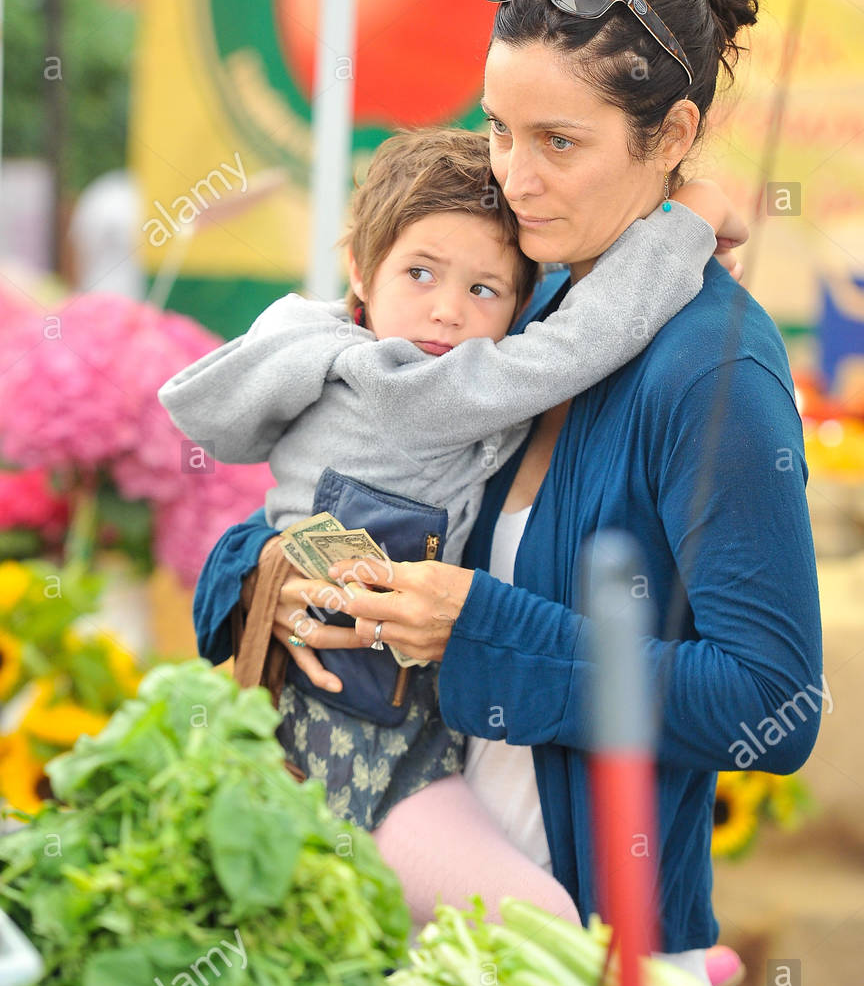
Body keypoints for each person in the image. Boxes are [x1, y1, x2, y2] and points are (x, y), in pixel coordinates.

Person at [190, 0, 821, 986]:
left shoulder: (711, 372)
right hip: (403, 929)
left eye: (559, 143)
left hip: (580, 971)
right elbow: (346, 473)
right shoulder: (534, 302)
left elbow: (771, 697)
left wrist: (480, 625)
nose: (514, 181)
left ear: (671, 133)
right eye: (498, 129)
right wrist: (266, 576)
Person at [159, 125, 732, 873]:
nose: (447, 313)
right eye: (421, 275)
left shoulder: (335, 351)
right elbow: (584, 341)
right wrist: (693, 218)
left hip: (380, 714)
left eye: (483, 289)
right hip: (350, 737)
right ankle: (646, 976)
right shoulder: (407, 389)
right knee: (512, 914)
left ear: (521, 306)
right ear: (362, 274)